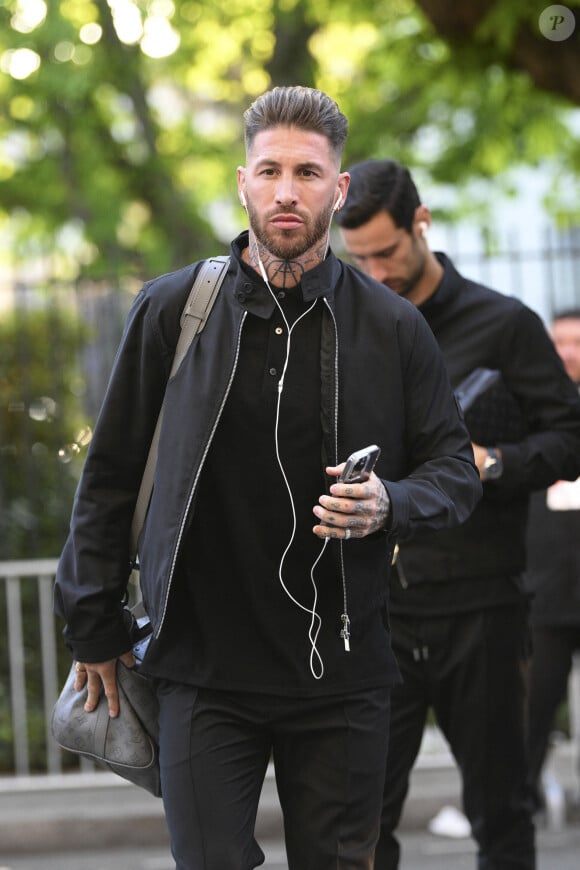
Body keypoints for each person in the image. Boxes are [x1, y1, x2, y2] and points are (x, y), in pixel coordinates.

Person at [53, 89, 482, 870]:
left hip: (343, 674)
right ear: (243, 182)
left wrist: (392, 502)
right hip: (200, 670)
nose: (288, 191)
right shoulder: (173, 308)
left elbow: (456, 472)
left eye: (309, 173)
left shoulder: (393, 326)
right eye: (271, 170)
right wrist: (92, 623)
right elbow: (110, 473)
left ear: (339, 190)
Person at [334, 158, 580, 870]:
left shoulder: (504, 323)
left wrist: (494, 465)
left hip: (485, 610)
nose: (375, 271)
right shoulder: (348, 325)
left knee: (502, 813)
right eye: (360, 258)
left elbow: (570, 435)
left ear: (422, 223)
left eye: (388, 252)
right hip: (378, 609)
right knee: (362, 819)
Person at [525, 308, 580, 815]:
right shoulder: (532, 412)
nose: (566, 352)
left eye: (576, 342)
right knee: (535, 702)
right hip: (545, 586)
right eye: (558, 341)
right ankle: (522, 797)